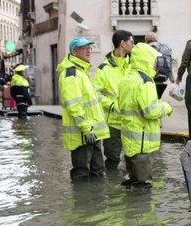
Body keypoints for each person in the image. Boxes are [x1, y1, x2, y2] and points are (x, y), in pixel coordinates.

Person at [117, 42, 174, 188]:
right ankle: (141, 210)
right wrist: (167, 107)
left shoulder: (127, 79)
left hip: (130, 142)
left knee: (132, 182)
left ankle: (130, 209)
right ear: (148, 59)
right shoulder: (145, 81)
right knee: (143, 186)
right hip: (143, 143)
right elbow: (151, 111)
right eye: (155, 59)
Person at [57, 36, 110, 181]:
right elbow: (75, 106)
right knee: (81, 173)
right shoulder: (71, 74)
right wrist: (87, 129)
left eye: (89, 48)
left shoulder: (81, 72)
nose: (88, 51)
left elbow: (89, 100)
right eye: (84, 48)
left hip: (93, 133)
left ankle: (96, 201)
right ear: (74, 52)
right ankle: (82, 202)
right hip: (83, 134)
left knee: (98, 171)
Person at [94, 30, 134, 170]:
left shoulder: (133, 66)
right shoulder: (103, 69)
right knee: (112, 160)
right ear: (122, 44)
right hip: (113, 123)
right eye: (131, 42)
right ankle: (112, 190)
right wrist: (112, 105)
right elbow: (97, 95)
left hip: (131, 121)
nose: (133, 45)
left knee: (133, 159)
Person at [144, 31, 173, 98]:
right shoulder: (165, 48)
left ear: (146, 40)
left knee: (151, 99)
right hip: (163, 78)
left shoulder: (146, 48)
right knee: (158, 98)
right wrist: (171, 78)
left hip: (151, 79)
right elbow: (170, 62)